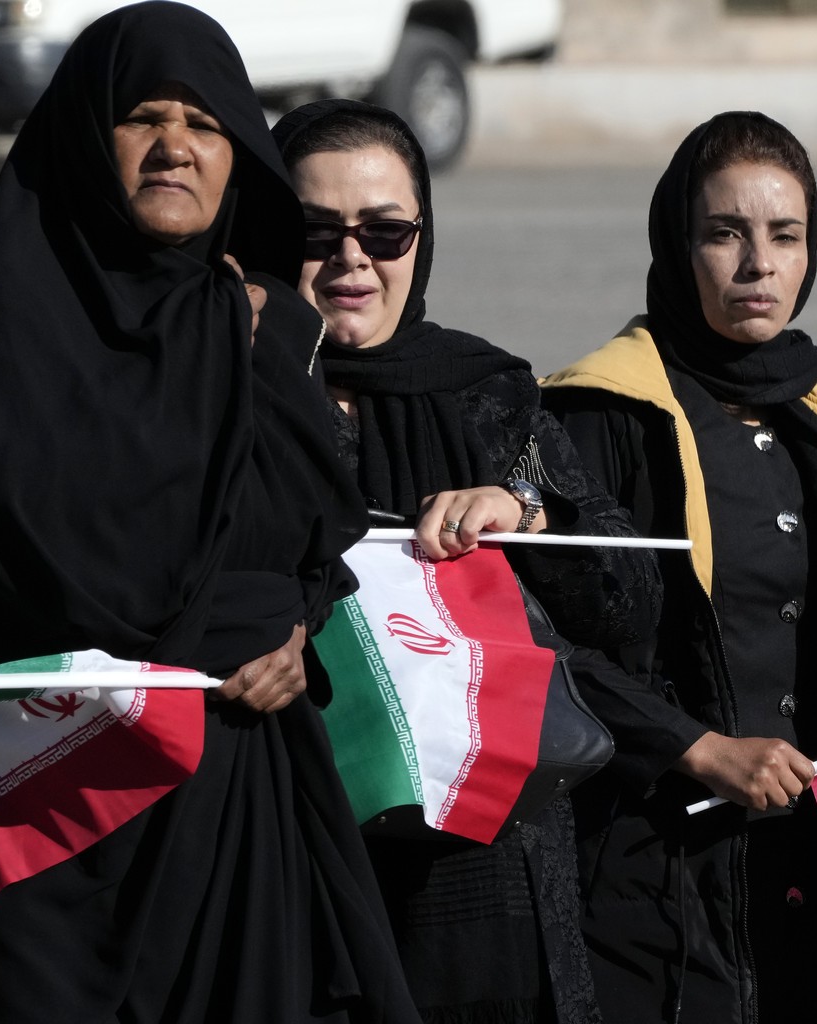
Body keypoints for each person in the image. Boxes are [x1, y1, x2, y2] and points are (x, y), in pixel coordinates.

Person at [0, 5, 421, 1022]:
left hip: (236, 811)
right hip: (43, 824)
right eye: (143, 116)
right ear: (90, 136)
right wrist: (214, 630)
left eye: (206, 122)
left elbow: (310, 534)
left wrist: (294, 630)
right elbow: (0, 556)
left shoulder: (262, 325)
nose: (175, 144)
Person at [270, 98, 661, 1024]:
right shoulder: (225, 396)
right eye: (315, 230)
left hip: (489, 873)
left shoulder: (485, 395)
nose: (352, 258)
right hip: (302, 859)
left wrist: (525, 514)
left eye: (386, 231)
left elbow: (631, 607)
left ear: (423, 238)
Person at [541, 111, 817, 1024]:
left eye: (784, 236)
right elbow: (541, 639)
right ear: (678, 246)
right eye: (725, 233)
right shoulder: (604, 412)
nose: (759, 264)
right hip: (652, 872)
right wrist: (700, 750)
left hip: (809, 873)